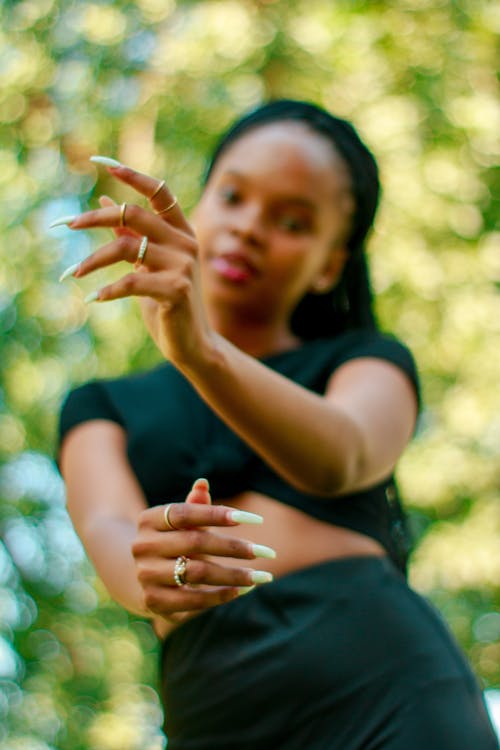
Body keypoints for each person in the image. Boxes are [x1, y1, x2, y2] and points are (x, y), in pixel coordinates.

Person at [55, 100, 498, 749]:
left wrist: (201, 352)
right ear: (199, 204)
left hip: (388, 689)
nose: (251, 227)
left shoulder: (368, 362)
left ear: (328, 263)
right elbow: (109, 529)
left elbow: (344, 453)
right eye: (232, 196)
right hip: (216, 711)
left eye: (293, 220)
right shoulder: (99, 405)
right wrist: (149, 571)